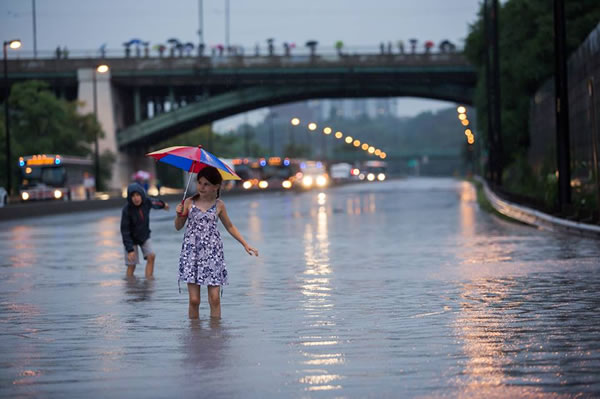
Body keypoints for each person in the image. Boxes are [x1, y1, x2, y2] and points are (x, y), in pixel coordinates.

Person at [175, 166, 258, 319]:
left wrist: (245, 244)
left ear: (216, 186)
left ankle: (215, 335)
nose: (201, 187)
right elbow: (178, 227)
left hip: (213, 255)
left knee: (214, 299)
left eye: (206, 184)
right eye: (199, 183)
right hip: (191, 254)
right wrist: (179, 214)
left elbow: (230, 226)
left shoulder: (219, 205)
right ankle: (195, 335)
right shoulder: (188, 202)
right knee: (194, 300)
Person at [121, 183, 170, 278]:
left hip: (144, 236)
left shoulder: (146, 202)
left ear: (142, 195)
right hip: (131, 239)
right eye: (133, 196)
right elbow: (125, 231)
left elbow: (155, 202)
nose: (136, 198)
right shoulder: (126, 210)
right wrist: (130, 249)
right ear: (129, 198)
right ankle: (130, 286)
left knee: (151, 256)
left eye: (138, 195)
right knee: (132, 264)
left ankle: (149, 281)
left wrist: (163, 205)